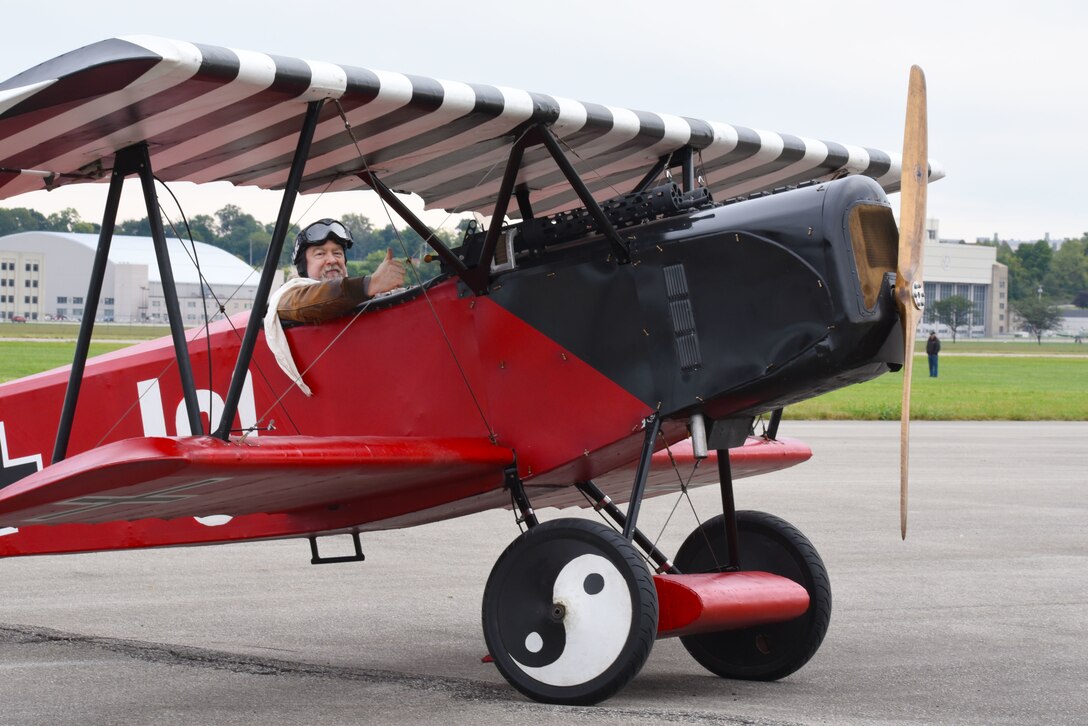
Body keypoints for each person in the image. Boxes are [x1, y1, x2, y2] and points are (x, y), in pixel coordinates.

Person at [264, 218, 407, 396]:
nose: (331, 260)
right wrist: (369, 284)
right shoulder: (289, 295)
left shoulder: (364, 295)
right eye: (320, 254)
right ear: (303, 266)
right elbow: (311, 301)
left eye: (337, 253)